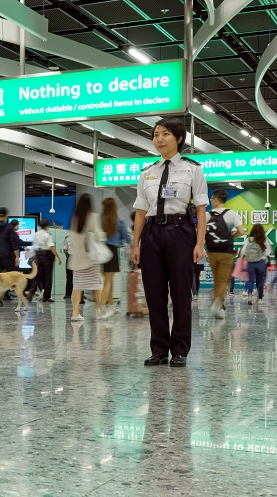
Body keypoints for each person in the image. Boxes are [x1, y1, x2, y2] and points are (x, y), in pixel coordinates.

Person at [132, 117, 208, 368]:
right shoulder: (147, 173)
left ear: (178, 138)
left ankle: (180, 350)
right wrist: (136, 244)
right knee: (154, 296)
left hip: (180, 233)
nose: (159, 139)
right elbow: (141, 212)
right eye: (155, 135)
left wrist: (199, 243)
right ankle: (159, 349)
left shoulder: (192, 169)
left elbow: (200, 210)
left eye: (165, 134)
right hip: (152, 234)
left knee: (180, 295)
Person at [205, 188, 245, 320]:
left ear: (216, 199)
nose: (211, 201)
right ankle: (217, 303)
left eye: (211, 198)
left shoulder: (207, 215)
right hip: (226, 252)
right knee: (223, 280)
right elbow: (241, 231)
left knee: (217, 280)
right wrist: (232, 236)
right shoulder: (231, 214)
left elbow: (199, 233)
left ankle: (219, 307)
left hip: (211, 251)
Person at [67, 194, 105, 323]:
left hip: (77, 259)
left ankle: (75, 313)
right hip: (90, 258)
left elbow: (71, 238)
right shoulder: (93, 216)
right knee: (97, 285)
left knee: (78, 286)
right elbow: (98, 235)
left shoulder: (74, 218)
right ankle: (100, 311)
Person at [99, 197, 131, 319]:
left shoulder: (100, 220)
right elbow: (127, 238)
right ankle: (101, 308)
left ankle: (111, 305)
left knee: (108, 280)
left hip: (101, 251)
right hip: (112, 251)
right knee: (108, 281)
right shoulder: (119, 221)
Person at [28, 219, 62, 302]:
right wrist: (58, 257)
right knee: (47, 277)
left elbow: (34, 246)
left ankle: (31, 291)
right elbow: (51, 247)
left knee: (38, 276)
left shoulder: (36, 234)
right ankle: (46, 297)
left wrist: (35, 257)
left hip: (38, 256)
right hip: (47, 256)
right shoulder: (47, 235)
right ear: (46, 226)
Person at [241, 223, 270, 305]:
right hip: (261, 263)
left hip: (250, 263)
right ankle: (260, 298)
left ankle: (249, 296)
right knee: (260, 281)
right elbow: (268, 252)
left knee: (250, 280)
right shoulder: (264, 240)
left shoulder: (249, 240)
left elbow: (243, 251)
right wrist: (261, 253)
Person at [0, 207, 19, 273]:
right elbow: (14, 244)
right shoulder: (9, 228)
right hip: (8, 257)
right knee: (9, 278)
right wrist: (17, 257)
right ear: (6, 216)